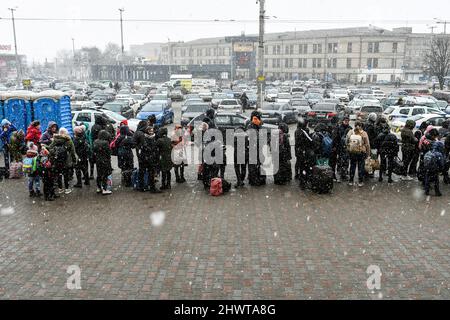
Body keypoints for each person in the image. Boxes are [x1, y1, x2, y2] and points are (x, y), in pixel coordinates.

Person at [49, 128, 77, 195]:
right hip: (66, 160)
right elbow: (73, 152)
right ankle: (67, 189)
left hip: (57, 160)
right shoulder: (69, 140)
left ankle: (60, 188)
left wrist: (55, 153)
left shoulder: (55, 140)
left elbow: (50, 148)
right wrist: (74, 160)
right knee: (66, 175)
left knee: (59, 174)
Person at [136, 125, 161, 193]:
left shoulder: (152, 138)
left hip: (148, 158)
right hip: (146, 158)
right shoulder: (145, 139)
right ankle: (144, 187)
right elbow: (143, 148)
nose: (151, 132)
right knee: (144, 173)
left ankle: (149, 187)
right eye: (150, 131)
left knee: (150, 173)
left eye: (152, 130)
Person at [346, 121, 370, 187]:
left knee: (352, 166)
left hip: (352, 152)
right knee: (361, 167)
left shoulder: (351, 132)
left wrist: (348, 148)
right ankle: (360, 181)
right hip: (361, 152)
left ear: (354, 125)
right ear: (361, 126)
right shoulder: (364, 133)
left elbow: (346, 140)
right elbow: (367, 144)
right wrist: (368, 153)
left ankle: (351, 181)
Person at [295, 117, 315, 190]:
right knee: (305, 167)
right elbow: (310, 141)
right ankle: (303, 183)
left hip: (299, 151)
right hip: (304, 152)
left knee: (301, 166)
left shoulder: (297, 130)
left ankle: (301, 180)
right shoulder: (304, 131)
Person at [247, 111, 266, 186]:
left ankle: (256, 178)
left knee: (257, 165)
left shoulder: (256, 125)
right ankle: (254, 180)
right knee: (253, 165)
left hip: (257, 149)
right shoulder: (251, 126)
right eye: (259, 117)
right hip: (254, 149)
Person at [423, 131, 444, 196]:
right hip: (435, 168)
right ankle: (437, 192)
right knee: (436, 180)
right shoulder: (438, 154)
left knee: (427, 178)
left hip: (427, 167)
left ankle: (426, 191)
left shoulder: (428, 152)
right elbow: (441, 163)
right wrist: (441, 168)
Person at [332, 116, 352, 182]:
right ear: (342, 121)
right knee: (341, 160)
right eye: (345, 120)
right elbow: (335, 138)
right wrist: (335, 146)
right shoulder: (338, 128)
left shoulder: (350, 128)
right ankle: (341, 173)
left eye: (347, 120)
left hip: (347, 147)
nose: (346, 122)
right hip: (340, 147)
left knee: (346, 161)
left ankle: (343, 173)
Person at [93, 130, 113, 195]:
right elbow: (108, 152)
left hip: (98, 160)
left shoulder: (95, 141)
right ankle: (105, 189)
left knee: (99, 174)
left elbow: (94, 151)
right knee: (105, 174)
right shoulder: (106, 143)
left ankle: (99, 188)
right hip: (105, 160)